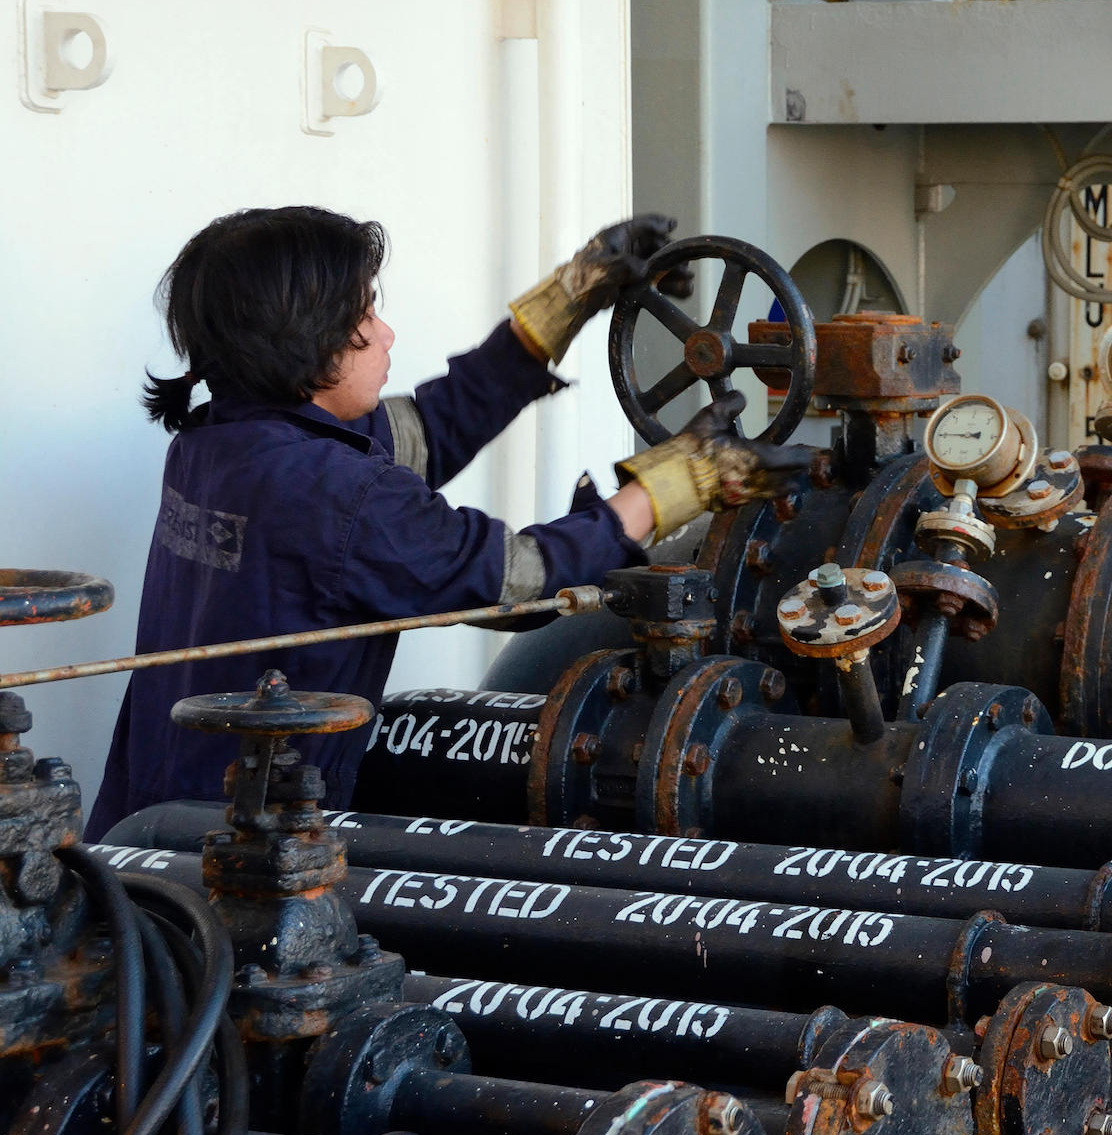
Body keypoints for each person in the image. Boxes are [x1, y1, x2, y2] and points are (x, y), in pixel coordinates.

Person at [87, 206, 799, 836]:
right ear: (304, 345)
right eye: (363, 316)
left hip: (144, 826)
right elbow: (517, 582)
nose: (385, 330)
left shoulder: (219, 442)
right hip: (245, 859)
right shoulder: (334, 494)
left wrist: (566, 300)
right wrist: (680, 481)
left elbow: (429, 427)